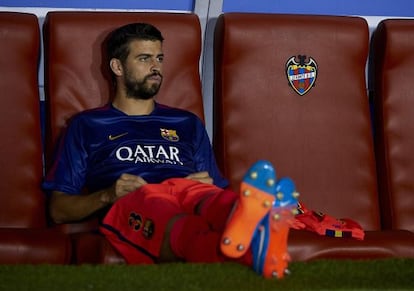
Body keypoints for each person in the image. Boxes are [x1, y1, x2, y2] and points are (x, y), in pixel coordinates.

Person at [42, 22, 299, 279]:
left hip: (185, 190)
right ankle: (257, 248)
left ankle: (254, 215)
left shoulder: (186, 123)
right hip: (133, 201)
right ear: (117, 67)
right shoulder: (86, 125)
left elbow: (213, 186)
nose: (156, 67)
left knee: (208, 196)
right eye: (144, 59)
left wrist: (210, 185)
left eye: (160, 58)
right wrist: (107, 195)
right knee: (159, 205)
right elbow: (58, 210)